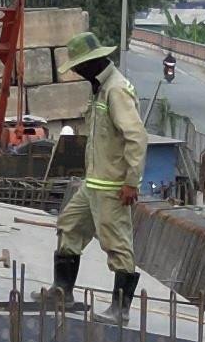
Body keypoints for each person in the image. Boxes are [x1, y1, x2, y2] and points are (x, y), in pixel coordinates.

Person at [50, 38, 148, 307]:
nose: (78, 73)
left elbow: (136, 137)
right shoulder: (100, 89)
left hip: (111, 186)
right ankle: (62, 292)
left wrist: (131, 181)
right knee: (69, 225)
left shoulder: (116, 90)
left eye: (80, 67)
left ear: (92, 63)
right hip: (93, 183)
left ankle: (120, 308)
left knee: (117, 244)